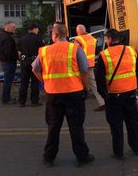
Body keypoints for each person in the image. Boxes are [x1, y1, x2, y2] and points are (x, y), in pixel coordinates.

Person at [32, 24, 95, 168]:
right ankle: (82, 157)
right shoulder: (75, 48)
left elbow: (35, 69)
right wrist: (85, 87)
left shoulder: (44, 51)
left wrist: (45, 81)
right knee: (76, 127)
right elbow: (85, 70)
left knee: (53, 127)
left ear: (54, 36)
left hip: (53, 94)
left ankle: (49, 158)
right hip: (74, 93)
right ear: (66, 35)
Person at [95, 29, 138, 159]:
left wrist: (103, 94)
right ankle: (136, 147)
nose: (105, 41)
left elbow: (99, 78)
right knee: (132, 121)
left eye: (105, 39)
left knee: (116, 125)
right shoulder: (131, 50)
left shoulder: (104, 55)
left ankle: (118, 152)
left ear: (109, 39)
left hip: (113, 95)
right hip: (130, 93)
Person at [74, 24, 105, 111]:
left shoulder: (78, 39)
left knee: (78, 83)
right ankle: (102, 101)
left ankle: (101, 102)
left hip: (81, 65)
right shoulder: (92, 38)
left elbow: (75, 52)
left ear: (78, 31)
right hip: (91, 64)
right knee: (93, 83)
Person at [18, 23, 44, 107]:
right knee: (35, 82)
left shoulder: (22, 38)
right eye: (37, 29)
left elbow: (19, 50)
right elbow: (42, 50)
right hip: (35, 61)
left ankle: (22, 102)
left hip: (24, 61)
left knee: (24, 82)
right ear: (33, 29)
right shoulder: (38, 38)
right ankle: (34, 101)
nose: (38, 30)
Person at [0, 21, 18, 105]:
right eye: (13, 27)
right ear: (7, 27)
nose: (15, 29)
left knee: (7, 80)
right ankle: (6, 98)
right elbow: (8, 51)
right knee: (8, 80)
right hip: (9, 61)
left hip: (4, 60)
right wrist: (16, 57)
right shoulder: (8, 38)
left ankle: (6, 97)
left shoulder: (1, 36)